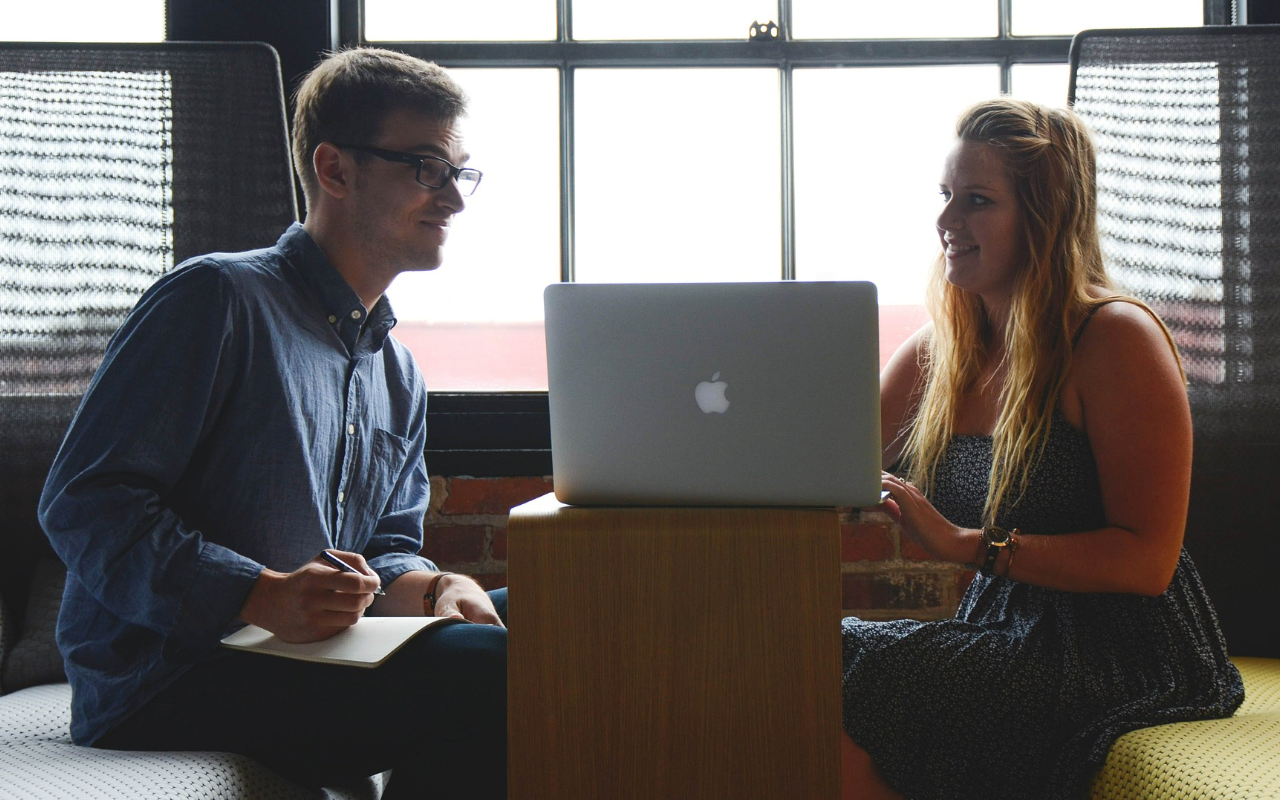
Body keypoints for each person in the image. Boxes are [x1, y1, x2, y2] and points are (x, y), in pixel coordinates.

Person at [38, 47, 507, 799]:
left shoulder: (398, 370)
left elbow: (385, 547)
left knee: (545, 629)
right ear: (334, 170)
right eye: (427, 167)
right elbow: (85, 503)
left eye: (460, 171)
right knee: (498, 673)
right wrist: (256, 594)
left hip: (309, 655)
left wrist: (432, 585)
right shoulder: (215, 299)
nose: (453, 197)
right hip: (172, 675)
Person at [840, 98, 1244, 800]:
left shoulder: (1114, 339)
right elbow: (825, 464)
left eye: (977, 201)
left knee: (837, 681)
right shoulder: (945, 351)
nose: (946, 223)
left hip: (1121, 652)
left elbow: (1148, 562)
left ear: (1044, 215)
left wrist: (970, 545)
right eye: (946, 197)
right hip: (999, 633)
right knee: (801, 666)